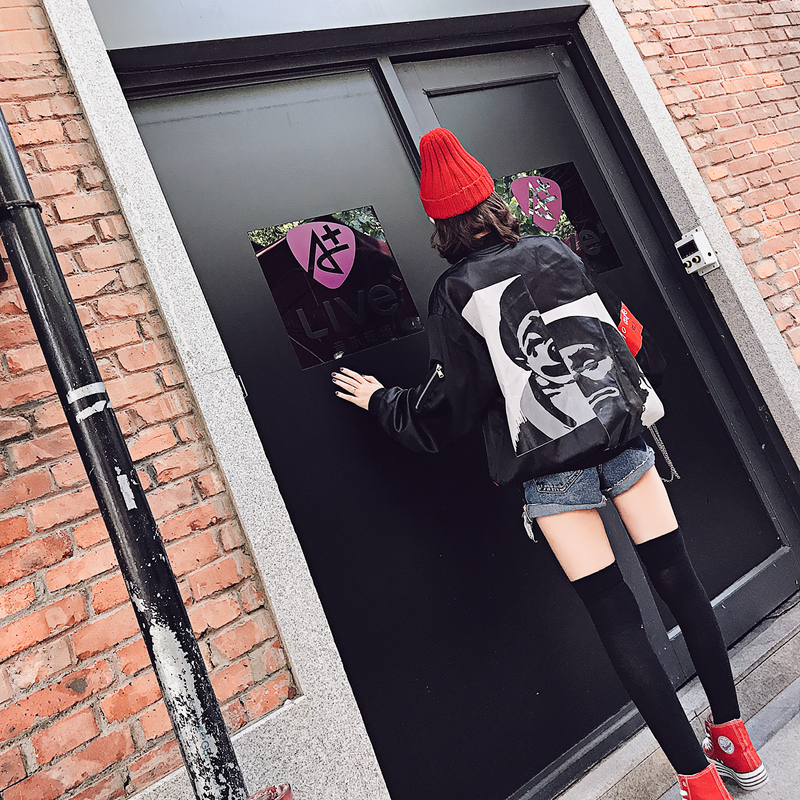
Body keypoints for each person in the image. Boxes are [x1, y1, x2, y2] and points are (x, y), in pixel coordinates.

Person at [332, 128, 766, 800]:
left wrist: (382, 401)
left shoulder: (454, 292)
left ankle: (699, 783)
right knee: (680, 581)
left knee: (616, 617)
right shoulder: (554, 250)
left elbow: (450, 403)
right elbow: (609, 334)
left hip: (549, 465)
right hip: (619, 437)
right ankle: (735, 740)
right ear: (492, 200)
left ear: (439, 222)